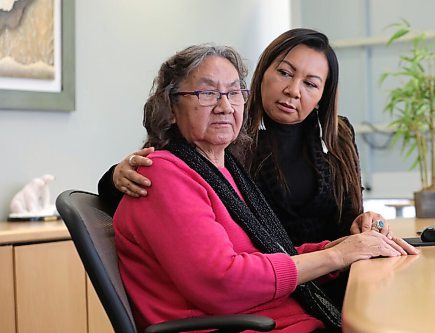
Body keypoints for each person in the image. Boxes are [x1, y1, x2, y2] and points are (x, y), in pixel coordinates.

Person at [99, 28, 416, 307]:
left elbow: (266, 249)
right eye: (208, 93)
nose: (293, 90)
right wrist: (117, 175)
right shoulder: (199, 159)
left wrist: (356, 238)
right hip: (278, 294)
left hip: (302, 285)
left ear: (322, 95)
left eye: (232, 93)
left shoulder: (226, 164)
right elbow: (223, 275)